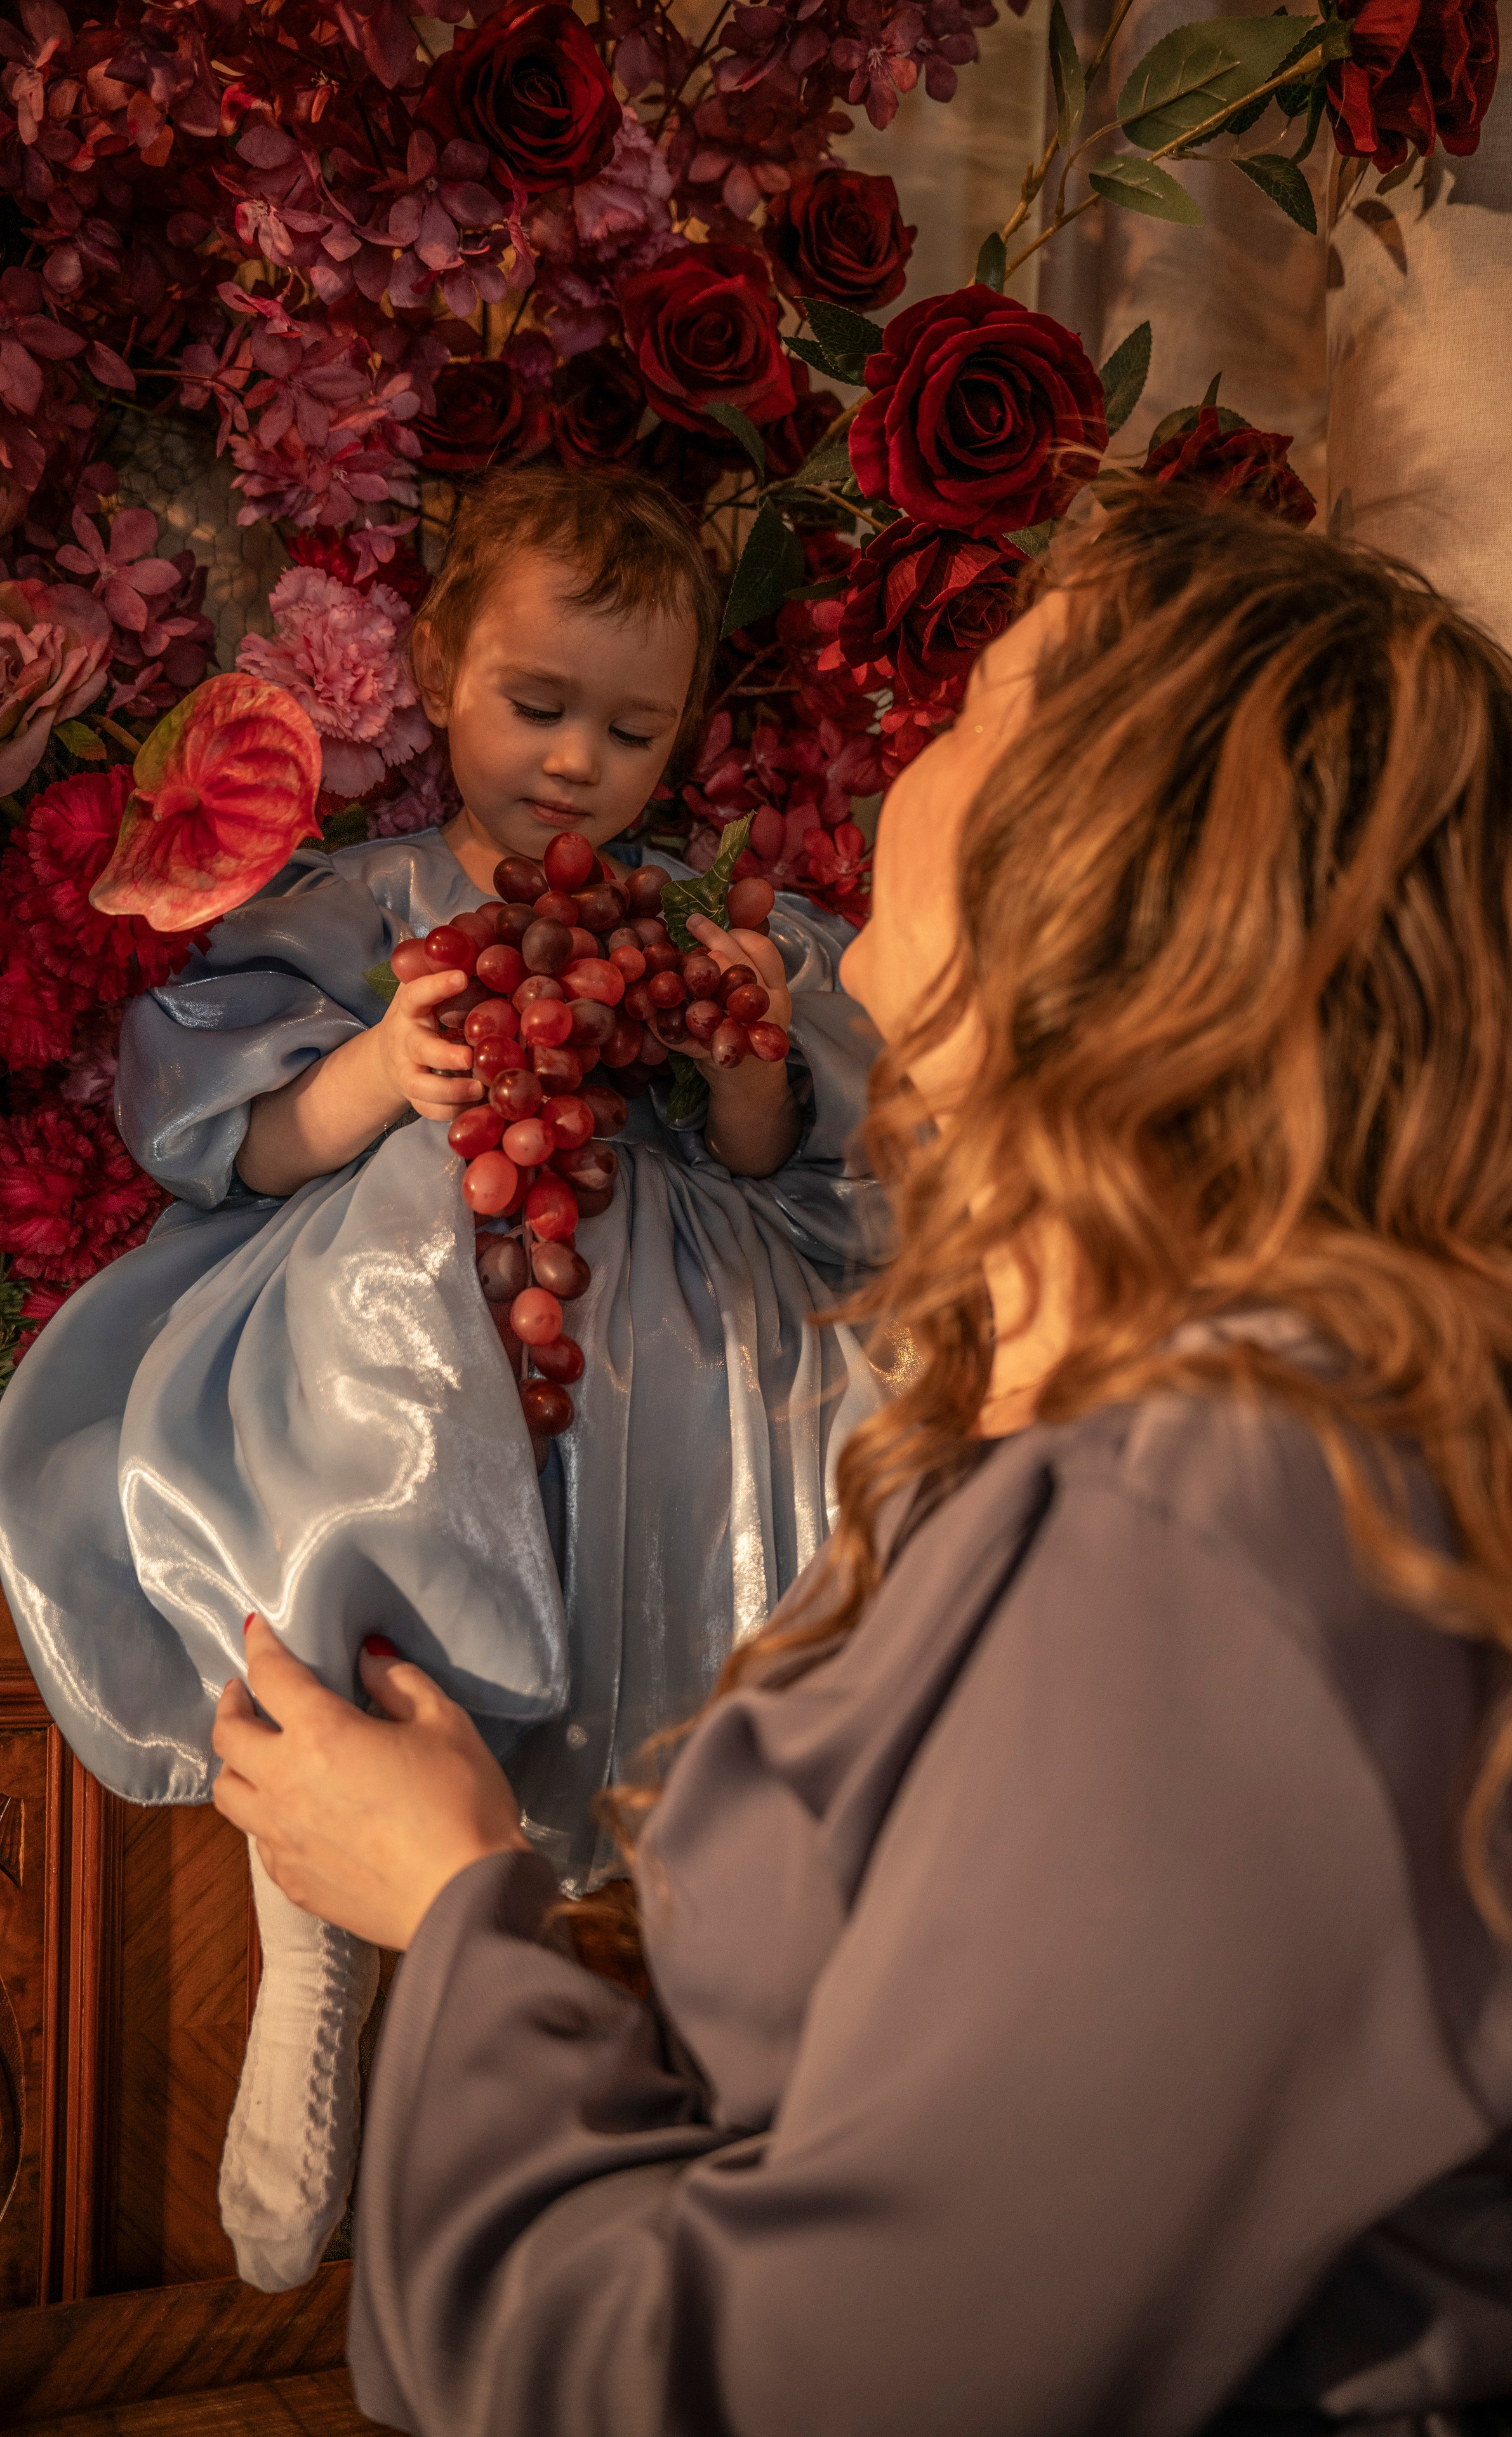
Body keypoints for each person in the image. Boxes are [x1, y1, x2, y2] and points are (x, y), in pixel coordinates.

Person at [211, 484, 1512, 2434]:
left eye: (975, 711)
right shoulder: (1154, 1451)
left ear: (1103, 869)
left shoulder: (1212, 1554)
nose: (909, 753)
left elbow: (787, 2390)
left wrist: (453, 1909)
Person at [0, 465, 883, 2291]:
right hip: (385, 1322)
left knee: (819, 1449)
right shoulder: (361, 908)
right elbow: (224, 1149)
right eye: (537, 706)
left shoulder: (699, 915)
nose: (577, 764)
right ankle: (306, 1949)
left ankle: (710, 2001)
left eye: (632, 732)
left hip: (641, 1358)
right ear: (433, 669)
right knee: (385, 1294)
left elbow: (779, 1166)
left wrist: (739, 1045)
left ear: (685, 741)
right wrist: (382, 1082)